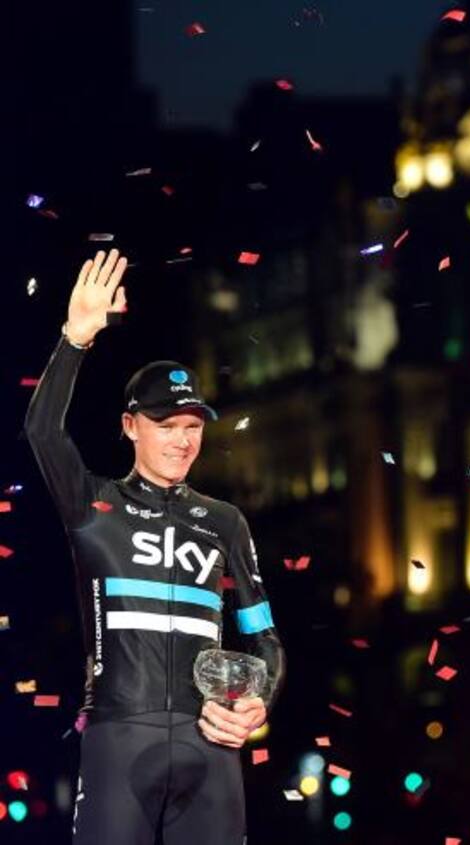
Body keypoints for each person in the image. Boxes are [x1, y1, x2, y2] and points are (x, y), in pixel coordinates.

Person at [24, 250, 286, 845]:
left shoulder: (226, 521)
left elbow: (264, 637)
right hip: (119, 740)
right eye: (166, 425)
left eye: (192, 425)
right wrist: (75, 339)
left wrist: (258, 702)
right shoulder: (92, 506)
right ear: (129, 425)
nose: (182, 439)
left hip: (211, 746)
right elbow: (42, 431)